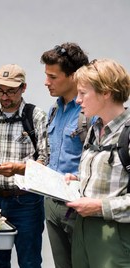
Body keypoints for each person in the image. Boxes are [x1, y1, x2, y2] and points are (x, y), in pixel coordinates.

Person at [0, 64, 48, 268]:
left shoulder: (35, 116)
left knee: (29, 261)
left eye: (11, 91)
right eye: (0, 90)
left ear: (23, 88)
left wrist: (18, 169)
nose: (4, 96)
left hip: (26, 201)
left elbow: (44, 160)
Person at [65, 59, 130, 268]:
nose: (77, 100)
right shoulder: (94, 129)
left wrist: (100, 206)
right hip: (83, 229)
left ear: (106, 92)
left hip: (114, 235)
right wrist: (79, 180)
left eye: (83, 93)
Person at [40, 43, 90, 268]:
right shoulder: (53, 111)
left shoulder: (89, 114)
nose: (46, 82)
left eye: (53, 76)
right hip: (51, 202)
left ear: (73, 76)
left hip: (77, 204)